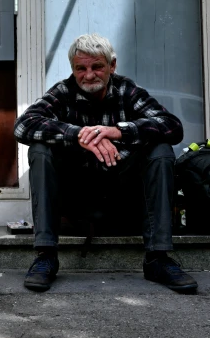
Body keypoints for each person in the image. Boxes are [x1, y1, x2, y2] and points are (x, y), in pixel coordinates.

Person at [13, 34, 197, 293]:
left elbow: (172, 126)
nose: (89, 75)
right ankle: (46, 256)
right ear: (73, 69)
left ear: (112, 66)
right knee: (40, 149)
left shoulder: (127, 91)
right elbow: (23, 126)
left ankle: (158, 258)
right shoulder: (63, 92)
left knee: (161, 149)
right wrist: (77, 135)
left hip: (121, 194)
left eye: (97, 66)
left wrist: (118, 131)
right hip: (76, 197)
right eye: (81, 68)